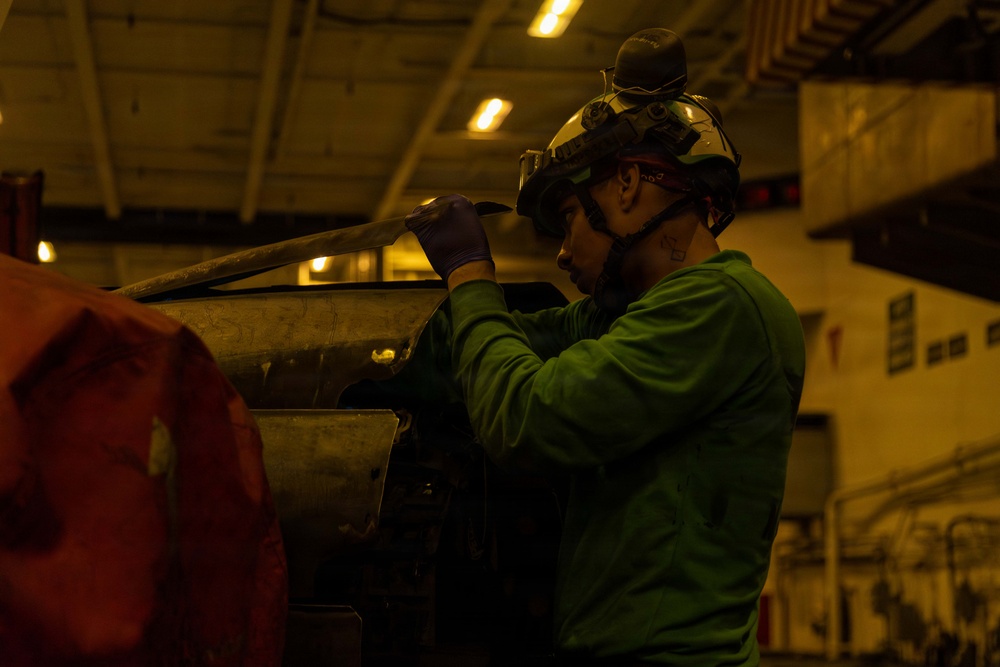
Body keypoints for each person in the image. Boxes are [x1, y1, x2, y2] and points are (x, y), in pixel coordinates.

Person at [403, 28, 806, 666]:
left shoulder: (721, 308)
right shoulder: (632, 317)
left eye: (568, 217)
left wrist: (470, 276)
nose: (563, 253)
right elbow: (490, 348)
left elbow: (526, 419)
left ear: (626, 184)